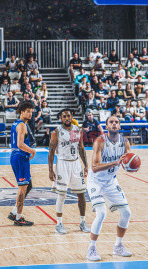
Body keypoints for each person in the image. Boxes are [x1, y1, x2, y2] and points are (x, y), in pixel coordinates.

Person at [86, 115, 133, 261]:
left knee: (126, 213)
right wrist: (115, 163)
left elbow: (128, 161)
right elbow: (94, 168)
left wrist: (131, 165)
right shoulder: (100, 141)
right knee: (101, 213)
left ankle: (118, 246)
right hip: (95, 182)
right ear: (106, 126)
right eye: (111, 122)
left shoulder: (125, 142)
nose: (114, 124)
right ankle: (91, 249)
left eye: (116, 122)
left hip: (111, 182)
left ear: (119, 126)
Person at [48, 109, 90, 235]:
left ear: (72, 117)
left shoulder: (78, 130)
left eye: (68, 116)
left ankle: (83, 222)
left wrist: (86, 165)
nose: (67, 118)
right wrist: (51, 170)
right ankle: (59, 223)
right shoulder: (57, 132)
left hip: (76, 164)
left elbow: (81, 148)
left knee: (81, 194)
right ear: (61, 118)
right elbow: (51, 151)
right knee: (62, 194)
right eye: (64, 116)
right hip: (62, 164)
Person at [7, 101, 36, 226]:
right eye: (28, 111)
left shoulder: (16, 123)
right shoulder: (22, 125)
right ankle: (18, 218)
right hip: (20, 156)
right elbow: (20, 144)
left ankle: (14, 212)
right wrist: (32, 151)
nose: (30, 114)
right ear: (22, 112)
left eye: (31, 111)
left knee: (28, 186)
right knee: (22, 189)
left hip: (17, 156)